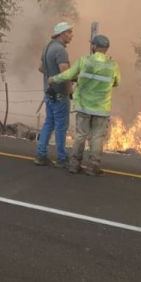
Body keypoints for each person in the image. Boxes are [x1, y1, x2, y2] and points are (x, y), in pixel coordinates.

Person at [49, 33, 121, 176]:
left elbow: (68, 75)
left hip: (84, 106)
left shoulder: (84, 61)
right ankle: (93, 167)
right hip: (101, 108)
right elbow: (116, 82)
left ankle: (74, 165)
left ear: (94, 46)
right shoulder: (113, 65)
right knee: (97, 138)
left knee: (81, 135)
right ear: (106, 48)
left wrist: (53, 79)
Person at [35, 22, 74, 167]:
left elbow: (41, 68)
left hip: (49, 92)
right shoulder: (60, 50)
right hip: (59, 94)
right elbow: (65, 73)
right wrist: (70, 90)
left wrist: (51, 75)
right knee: (61, 127)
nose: (71, 35)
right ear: (62, 34)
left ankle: (40, 155)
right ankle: (62, 158)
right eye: (69, 32)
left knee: (49, 123)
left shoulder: (47, 47)